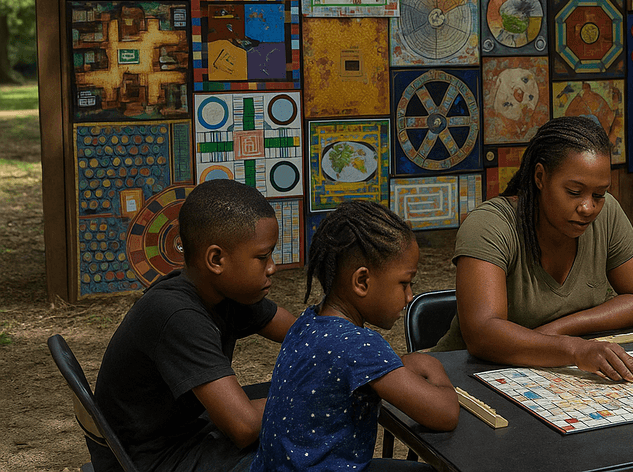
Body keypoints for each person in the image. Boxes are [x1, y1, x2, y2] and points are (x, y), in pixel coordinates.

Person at [90, 179, 297, 472]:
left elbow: (302, 335)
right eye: (262, 257)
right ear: (216, 259)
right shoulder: (176, 314)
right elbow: (245, 427)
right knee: (302, 449)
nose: (273, 267)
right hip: (156, 461)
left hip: (187, 433)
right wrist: (309, 397)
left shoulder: (223, 292)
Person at [433, 116, 633, 382]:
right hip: (469, 377)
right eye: (574, 191)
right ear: (540, 176)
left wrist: (557, 330)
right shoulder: (490, 225)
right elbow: (483, 334)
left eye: (598, 195)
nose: (588, 207)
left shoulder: (607, 213)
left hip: (552, 380)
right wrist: (575, 349)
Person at [252, 200, 457, 472]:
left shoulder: (308, 320)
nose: (409, 297)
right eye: (404, 283)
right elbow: (445, 414)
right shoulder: (359, 345)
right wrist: (436, 369)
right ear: (361, 281)